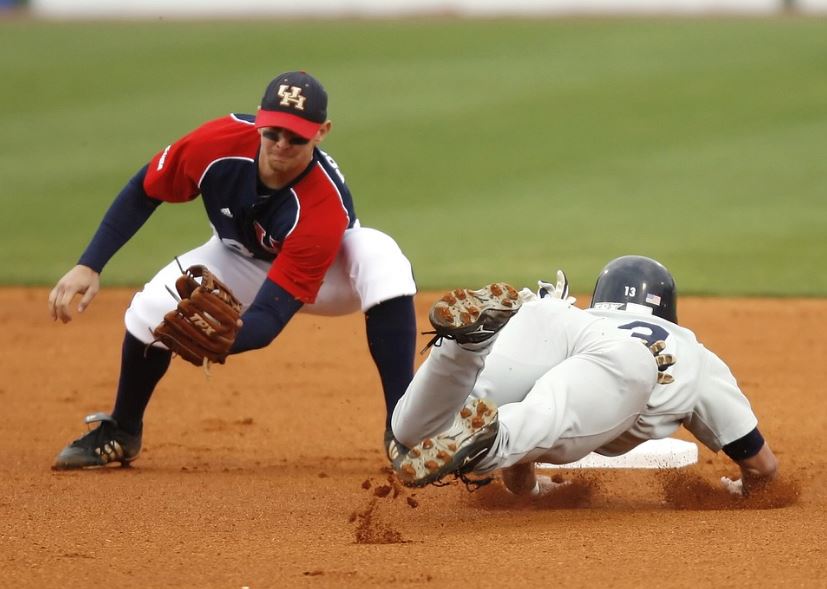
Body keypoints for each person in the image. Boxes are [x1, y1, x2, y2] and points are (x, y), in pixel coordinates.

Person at [49, 71, 417, 469]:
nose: (282, 145)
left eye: (297, 137)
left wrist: (228, 338)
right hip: (238, 255)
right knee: (151, 308)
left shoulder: (321, 207)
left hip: (332, 275)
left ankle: (404, 432)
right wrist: (91, 263)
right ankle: (122, 430)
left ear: (322, 132)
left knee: (382, 256)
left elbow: (271, 315)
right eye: (274, 132)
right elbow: (145, 188)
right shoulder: (215, 144)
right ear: (260, 120)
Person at [388, 256, 778, 497]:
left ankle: (463, 350)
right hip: (627, 362)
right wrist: (746, 490)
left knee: (414, 434)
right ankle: (491, 440)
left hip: (551, 317)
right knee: (548, 415)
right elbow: (761, 466)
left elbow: (524, 463)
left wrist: (529, 490)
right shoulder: (692, 353)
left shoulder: (587, 315)